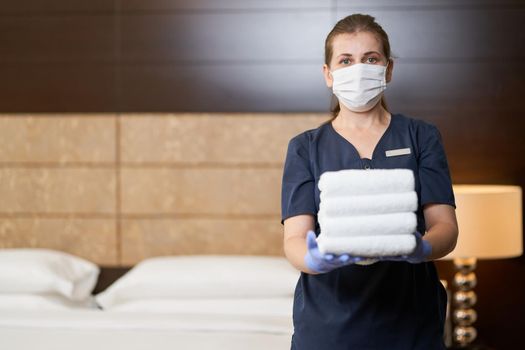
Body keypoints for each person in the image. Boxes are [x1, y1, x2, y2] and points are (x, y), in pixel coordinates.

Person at [281, 14, 459, 350]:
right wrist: (315, 260)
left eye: (370, 59)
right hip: (328, 327)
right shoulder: (305, 147)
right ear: (328, 74)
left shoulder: (421, 136)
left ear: (388, 69)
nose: (358, 69)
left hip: (411, 324)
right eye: (345, 60)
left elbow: (446, 228)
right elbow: (294, 239)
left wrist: (420, 248)